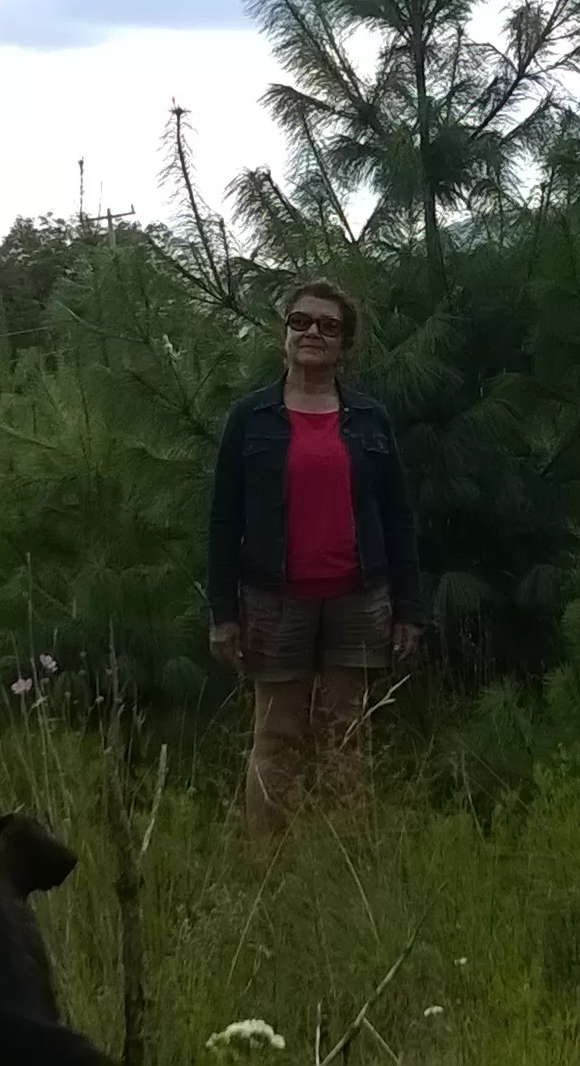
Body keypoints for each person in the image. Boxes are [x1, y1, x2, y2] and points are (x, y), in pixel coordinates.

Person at [206, 278, 422, 833]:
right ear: (284, 334)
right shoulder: (250, 417)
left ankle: (347, 854)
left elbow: (398, 517)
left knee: (349, 734)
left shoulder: (370, 419)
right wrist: (223, 614)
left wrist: (409, 609)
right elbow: (224, 519)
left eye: (329, 326)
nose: (312, 333)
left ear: (344, 345)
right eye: (300, 321)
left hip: (359, 600)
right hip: (275, 602)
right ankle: (268, 863)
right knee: (276, 737)